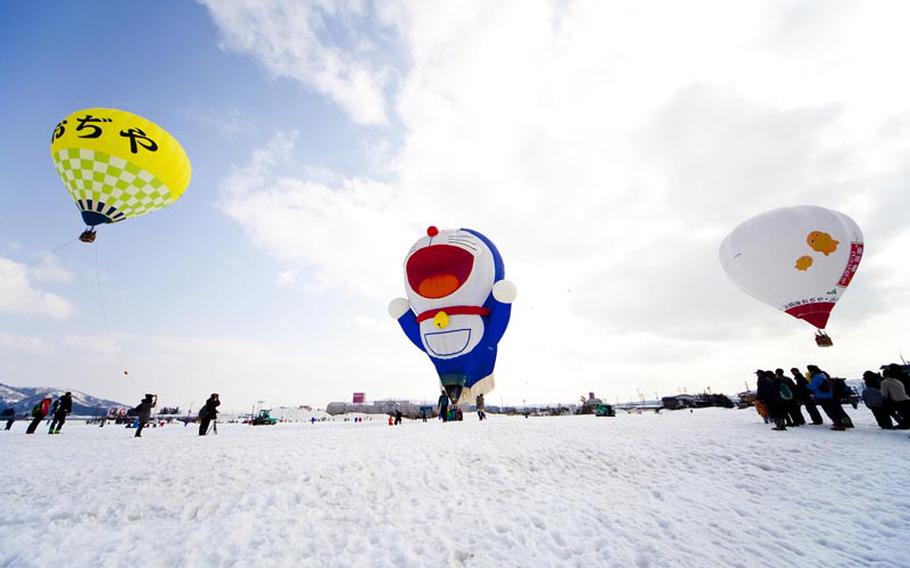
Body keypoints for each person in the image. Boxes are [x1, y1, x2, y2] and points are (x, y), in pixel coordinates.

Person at [806, 365, 849, 431]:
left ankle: (838, 424)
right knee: (835, 410)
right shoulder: (822, 374)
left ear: (812, 371)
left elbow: (813, 387)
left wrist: (806, 384)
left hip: (823, 396)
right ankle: (841, 423)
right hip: (829, 394)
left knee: (830, 411)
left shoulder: (816, 377)